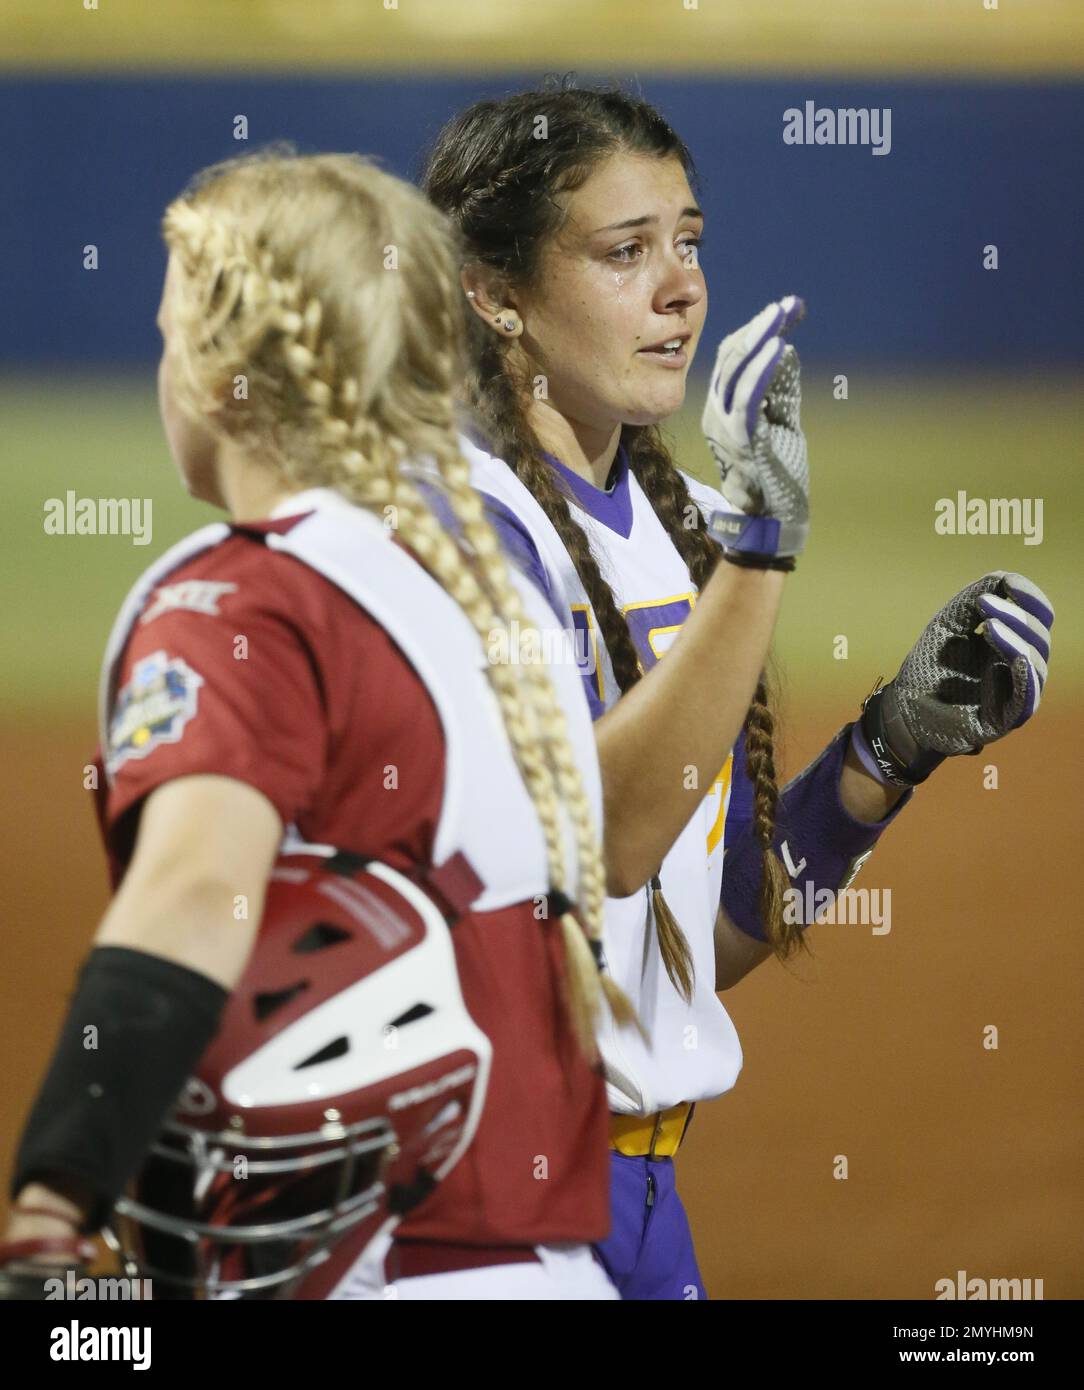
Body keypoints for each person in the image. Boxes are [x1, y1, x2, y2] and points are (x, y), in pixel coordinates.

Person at [422, 81, 1054, 1299]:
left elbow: (702, 936)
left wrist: (885, 751)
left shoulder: (687, 534)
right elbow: (603, 841)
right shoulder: (459, 537)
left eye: (688, 241)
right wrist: (764, 559)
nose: (679, 288)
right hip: (489, 1215)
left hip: (638, 1203)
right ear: (493, 291)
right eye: (624, 251)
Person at [1, 148, 633, 1300]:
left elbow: (198, 889)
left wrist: (52, 1205)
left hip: (370, 1269)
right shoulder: (494, 601)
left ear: (213, 367)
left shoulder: (241, 597)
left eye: (164, 334)